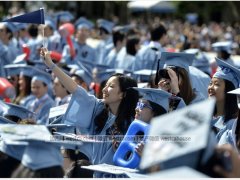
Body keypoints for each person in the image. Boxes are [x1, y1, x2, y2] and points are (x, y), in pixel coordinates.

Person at [40, 47, 139, 177]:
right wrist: (52, 65)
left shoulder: (133, 124)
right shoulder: (99, 110)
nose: (104, 89)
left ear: (123, 94)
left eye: (111, 86)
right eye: (106, 85)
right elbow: (76, 89)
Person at [209, 58, 240, 147]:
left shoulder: (232, 124)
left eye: (217, 84)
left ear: (228, 90)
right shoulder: (208, 116)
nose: (211, 87)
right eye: (211, 83)